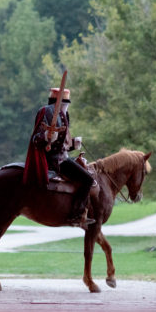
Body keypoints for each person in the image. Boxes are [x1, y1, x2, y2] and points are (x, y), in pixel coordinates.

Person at [22, 87, 95, 226]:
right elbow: (36, 140)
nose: (65, 105)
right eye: (64, 102)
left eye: (67, 103)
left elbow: (63, 146)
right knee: (87, 180)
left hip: (63, 157)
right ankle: (76, 215)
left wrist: (73, 144)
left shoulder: (64, 116)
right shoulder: (45, 112)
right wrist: (45, 136)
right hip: (55, 161)